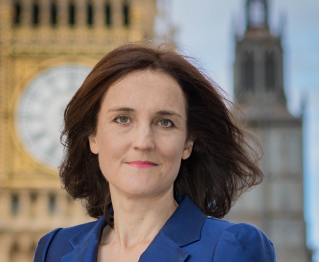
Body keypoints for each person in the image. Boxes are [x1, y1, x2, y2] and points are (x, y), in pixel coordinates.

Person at [34, 42, 276, 262]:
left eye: (165, 122)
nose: (143, 142)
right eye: (122, 119)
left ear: (187, 143)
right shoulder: (55, 250)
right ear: (93, 137)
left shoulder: (231, 248)